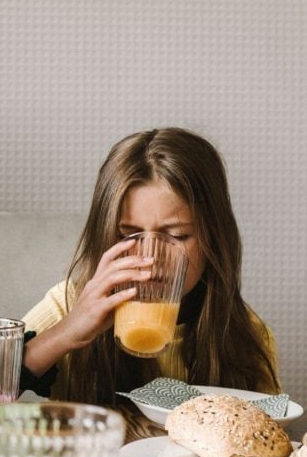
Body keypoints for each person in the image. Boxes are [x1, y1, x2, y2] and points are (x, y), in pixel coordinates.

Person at [20, 127, 279, 405]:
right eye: (127, 234)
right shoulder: (69, 304)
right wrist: (67, 332)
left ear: (214, 239)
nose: (150, 259)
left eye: (177, 236)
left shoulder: (245, 336)